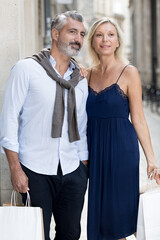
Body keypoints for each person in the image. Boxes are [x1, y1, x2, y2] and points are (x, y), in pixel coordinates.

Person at [0, 11, 89, 240]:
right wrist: (15, 169)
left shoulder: (80, 79)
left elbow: (82, 125)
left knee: (71, 234)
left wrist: (83, 166)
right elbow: (9, 119)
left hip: (72, 169)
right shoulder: (26, 69)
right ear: (55, 33)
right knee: (35, 234)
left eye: (81, 34)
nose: (78, 38)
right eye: (72, 32)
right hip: (33, 169)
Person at [85, 17, 160, 240]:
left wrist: (152, 160)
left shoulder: (129, 72)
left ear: (118, 41)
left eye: (110, 34)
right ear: (93, 41)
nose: (105, 39)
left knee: (119, 215)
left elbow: (138, 118)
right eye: (99, 35)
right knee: (100, 216)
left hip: (121, 150)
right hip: (95, 151)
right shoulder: (87, 74)